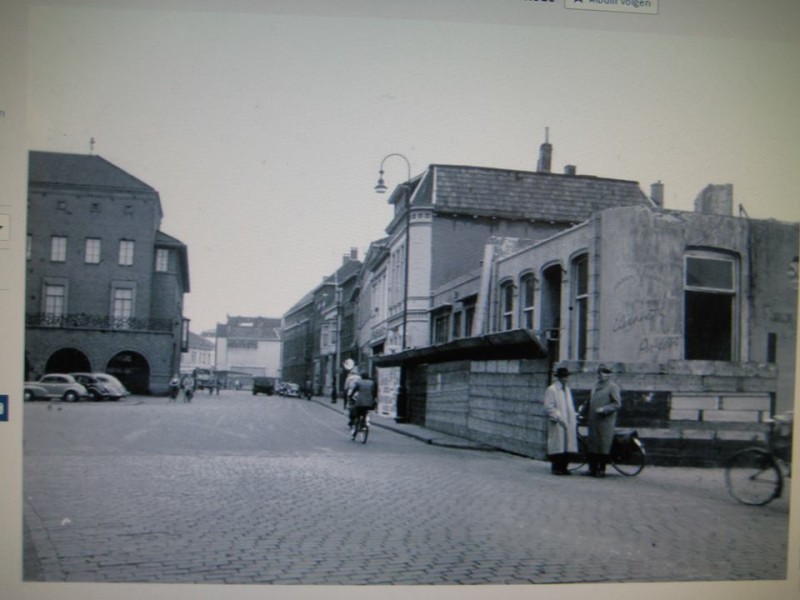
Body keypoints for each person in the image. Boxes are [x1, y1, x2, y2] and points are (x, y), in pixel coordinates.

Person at [580, 364, 622, 478]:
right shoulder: (594, 386)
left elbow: (617, 404)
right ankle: (592, 469)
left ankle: (601, 469)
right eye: (599, 373)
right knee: (592, 444)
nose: (600, 375)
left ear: (609, 375)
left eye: (603, 373)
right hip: (593, 420)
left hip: (605, 422)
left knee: (603, 445)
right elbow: (589, 401)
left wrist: (605, 409)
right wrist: (582, 412)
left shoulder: (613, 387)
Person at [542, 366, 578, 476]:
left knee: (567, 445)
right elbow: (548, 407)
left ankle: (564, 467)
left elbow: (569, 405)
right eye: (563, 377)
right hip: (558, 421)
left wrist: (573, 416)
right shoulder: (552, 389)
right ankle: (556, 467)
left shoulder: (567, 389)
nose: (565, 379)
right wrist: (558, 416)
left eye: (566, 377)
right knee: (558, 445)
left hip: (568, 421)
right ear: (558, 378)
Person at [348, 372, 377, 440]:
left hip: (360, 402)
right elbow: (374, 392)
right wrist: (373, 399)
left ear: (362, 377)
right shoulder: (371, 383)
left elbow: (354, 390)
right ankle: (365, 423)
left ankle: (355, 432)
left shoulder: (359, 382)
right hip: (369, 402)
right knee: (365, 413)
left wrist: (351, 396)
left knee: (358, 416)